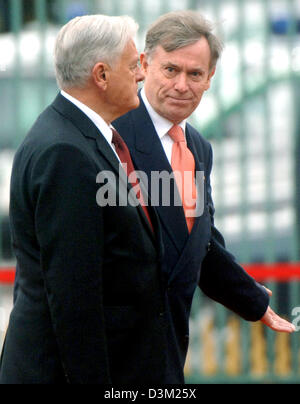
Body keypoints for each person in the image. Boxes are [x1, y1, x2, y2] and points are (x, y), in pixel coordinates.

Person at [113, 10, 296, 383]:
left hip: (165, 354)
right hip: (113, 356)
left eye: (195, 74)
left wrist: (254, 301)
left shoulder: (197, 148)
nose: (182, 85)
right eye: (171, 70)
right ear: (145, 65)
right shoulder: (111, 136)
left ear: (210, 78)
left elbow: (200, 242)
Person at [0, 14, 166, 384]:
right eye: (133, 64)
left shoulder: (77, 136)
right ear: (101, 75)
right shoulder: (65, 152)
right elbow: (75, 295)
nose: (142, 74)